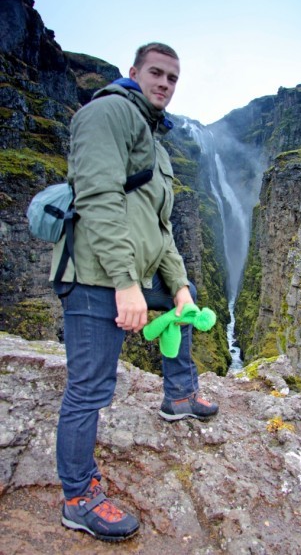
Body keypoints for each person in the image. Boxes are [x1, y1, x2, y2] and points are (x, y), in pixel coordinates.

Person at [50, 42, 219, 542]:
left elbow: (162, 231)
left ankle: (180, 395)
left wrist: (182, 288)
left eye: (173, 77)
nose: (165, 83)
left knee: (183, 310)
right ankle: (78, 497)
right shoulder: (106, 114)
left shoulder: (155, 142)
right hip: (92, 280)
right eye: (157, 73)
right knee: (88, 390)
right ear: (134, 72)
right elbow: (98, 200)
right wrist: (127, 285)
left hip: (134, 275)